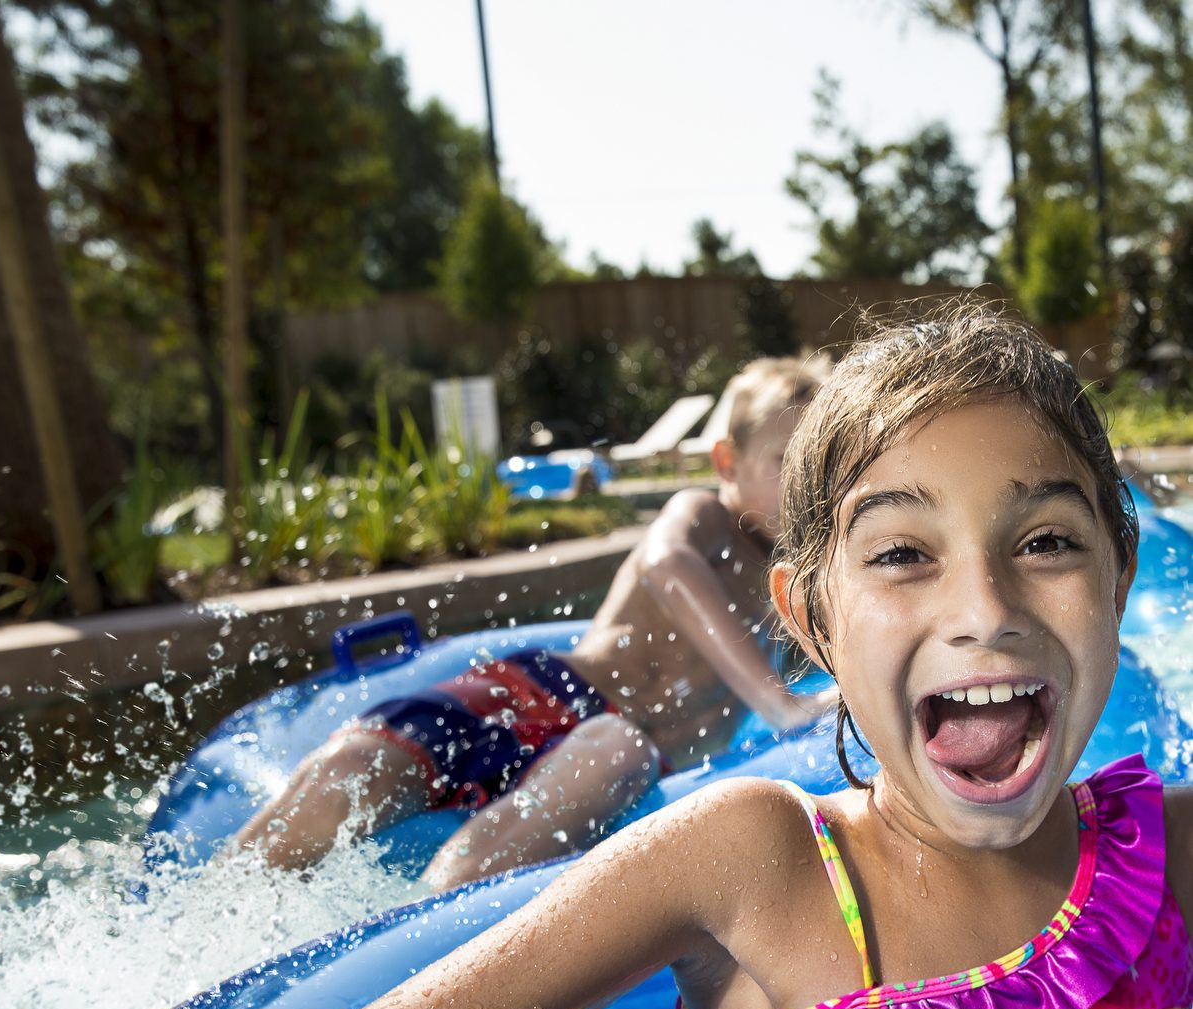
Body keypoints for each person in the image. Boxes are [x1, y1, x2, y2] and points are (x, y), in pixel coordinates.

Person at [107, 303, 1193, 1009]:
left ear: (1118, 574)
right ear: (810, 618)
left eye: (1045, 541)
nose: (982, 608)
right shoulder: (752, 862)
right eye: (901, 552)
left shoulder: (1168, 851)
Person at [238, 355, 833, 889]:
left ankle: (418, 930)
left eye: (818, 469)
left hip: (627, 753)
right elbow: (664, 561)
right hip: (549, 693)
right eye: (786, 463)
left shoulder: (801, 578)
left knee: (618, 748)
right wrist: (781, 704)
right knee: (355, 770)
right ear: (726, 461)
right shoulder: (703, 518)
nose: (803, 488)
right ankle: (217, 899)